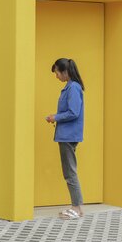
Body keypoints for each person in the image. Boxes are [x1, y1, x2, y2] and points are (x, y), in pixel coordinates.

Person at [45, 58, 85, 220]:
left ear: (64, 71)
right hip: (66, 135)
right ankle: (77, 207)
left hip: (68, 135)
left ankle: (77, 207)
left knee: (70, 172)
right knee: (69, 171)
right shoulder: (70, 87)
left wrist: (56, 117)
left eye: (57, 73)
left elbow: (73, 112)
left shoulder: (73, 88)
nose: (56, 76)